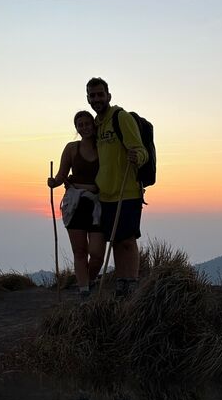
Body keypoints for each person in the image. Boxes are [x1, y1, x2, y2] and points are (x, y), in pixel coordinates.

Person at [86, 77, 148, 298]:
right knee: (116, 240)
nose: (96, 99)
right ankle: (122, 285)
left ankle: (130, 286)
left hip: (127, 191)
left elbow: (141, 150)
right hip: (106, 195)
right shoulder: (97, 125)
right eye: (92, 96)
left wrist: (137, 156)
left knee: (128, 241)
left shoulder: (121, 118)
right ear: (88, 99)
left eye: (100, 94)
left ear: (108, 96)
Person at [47, 110, 106, 301]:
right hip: (76, 204)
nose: (84, 127)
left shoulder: (103, 148)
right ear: (76, 128)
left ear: (93, 125)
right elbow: (62, 175)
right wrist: (54, 182)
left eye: (87, 123)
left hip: (97, 205)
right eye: (80, 125)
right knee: (79, 251)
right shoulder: (72, 148)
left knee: (96, 254)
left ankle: (89, 281)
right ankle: (84, 291)